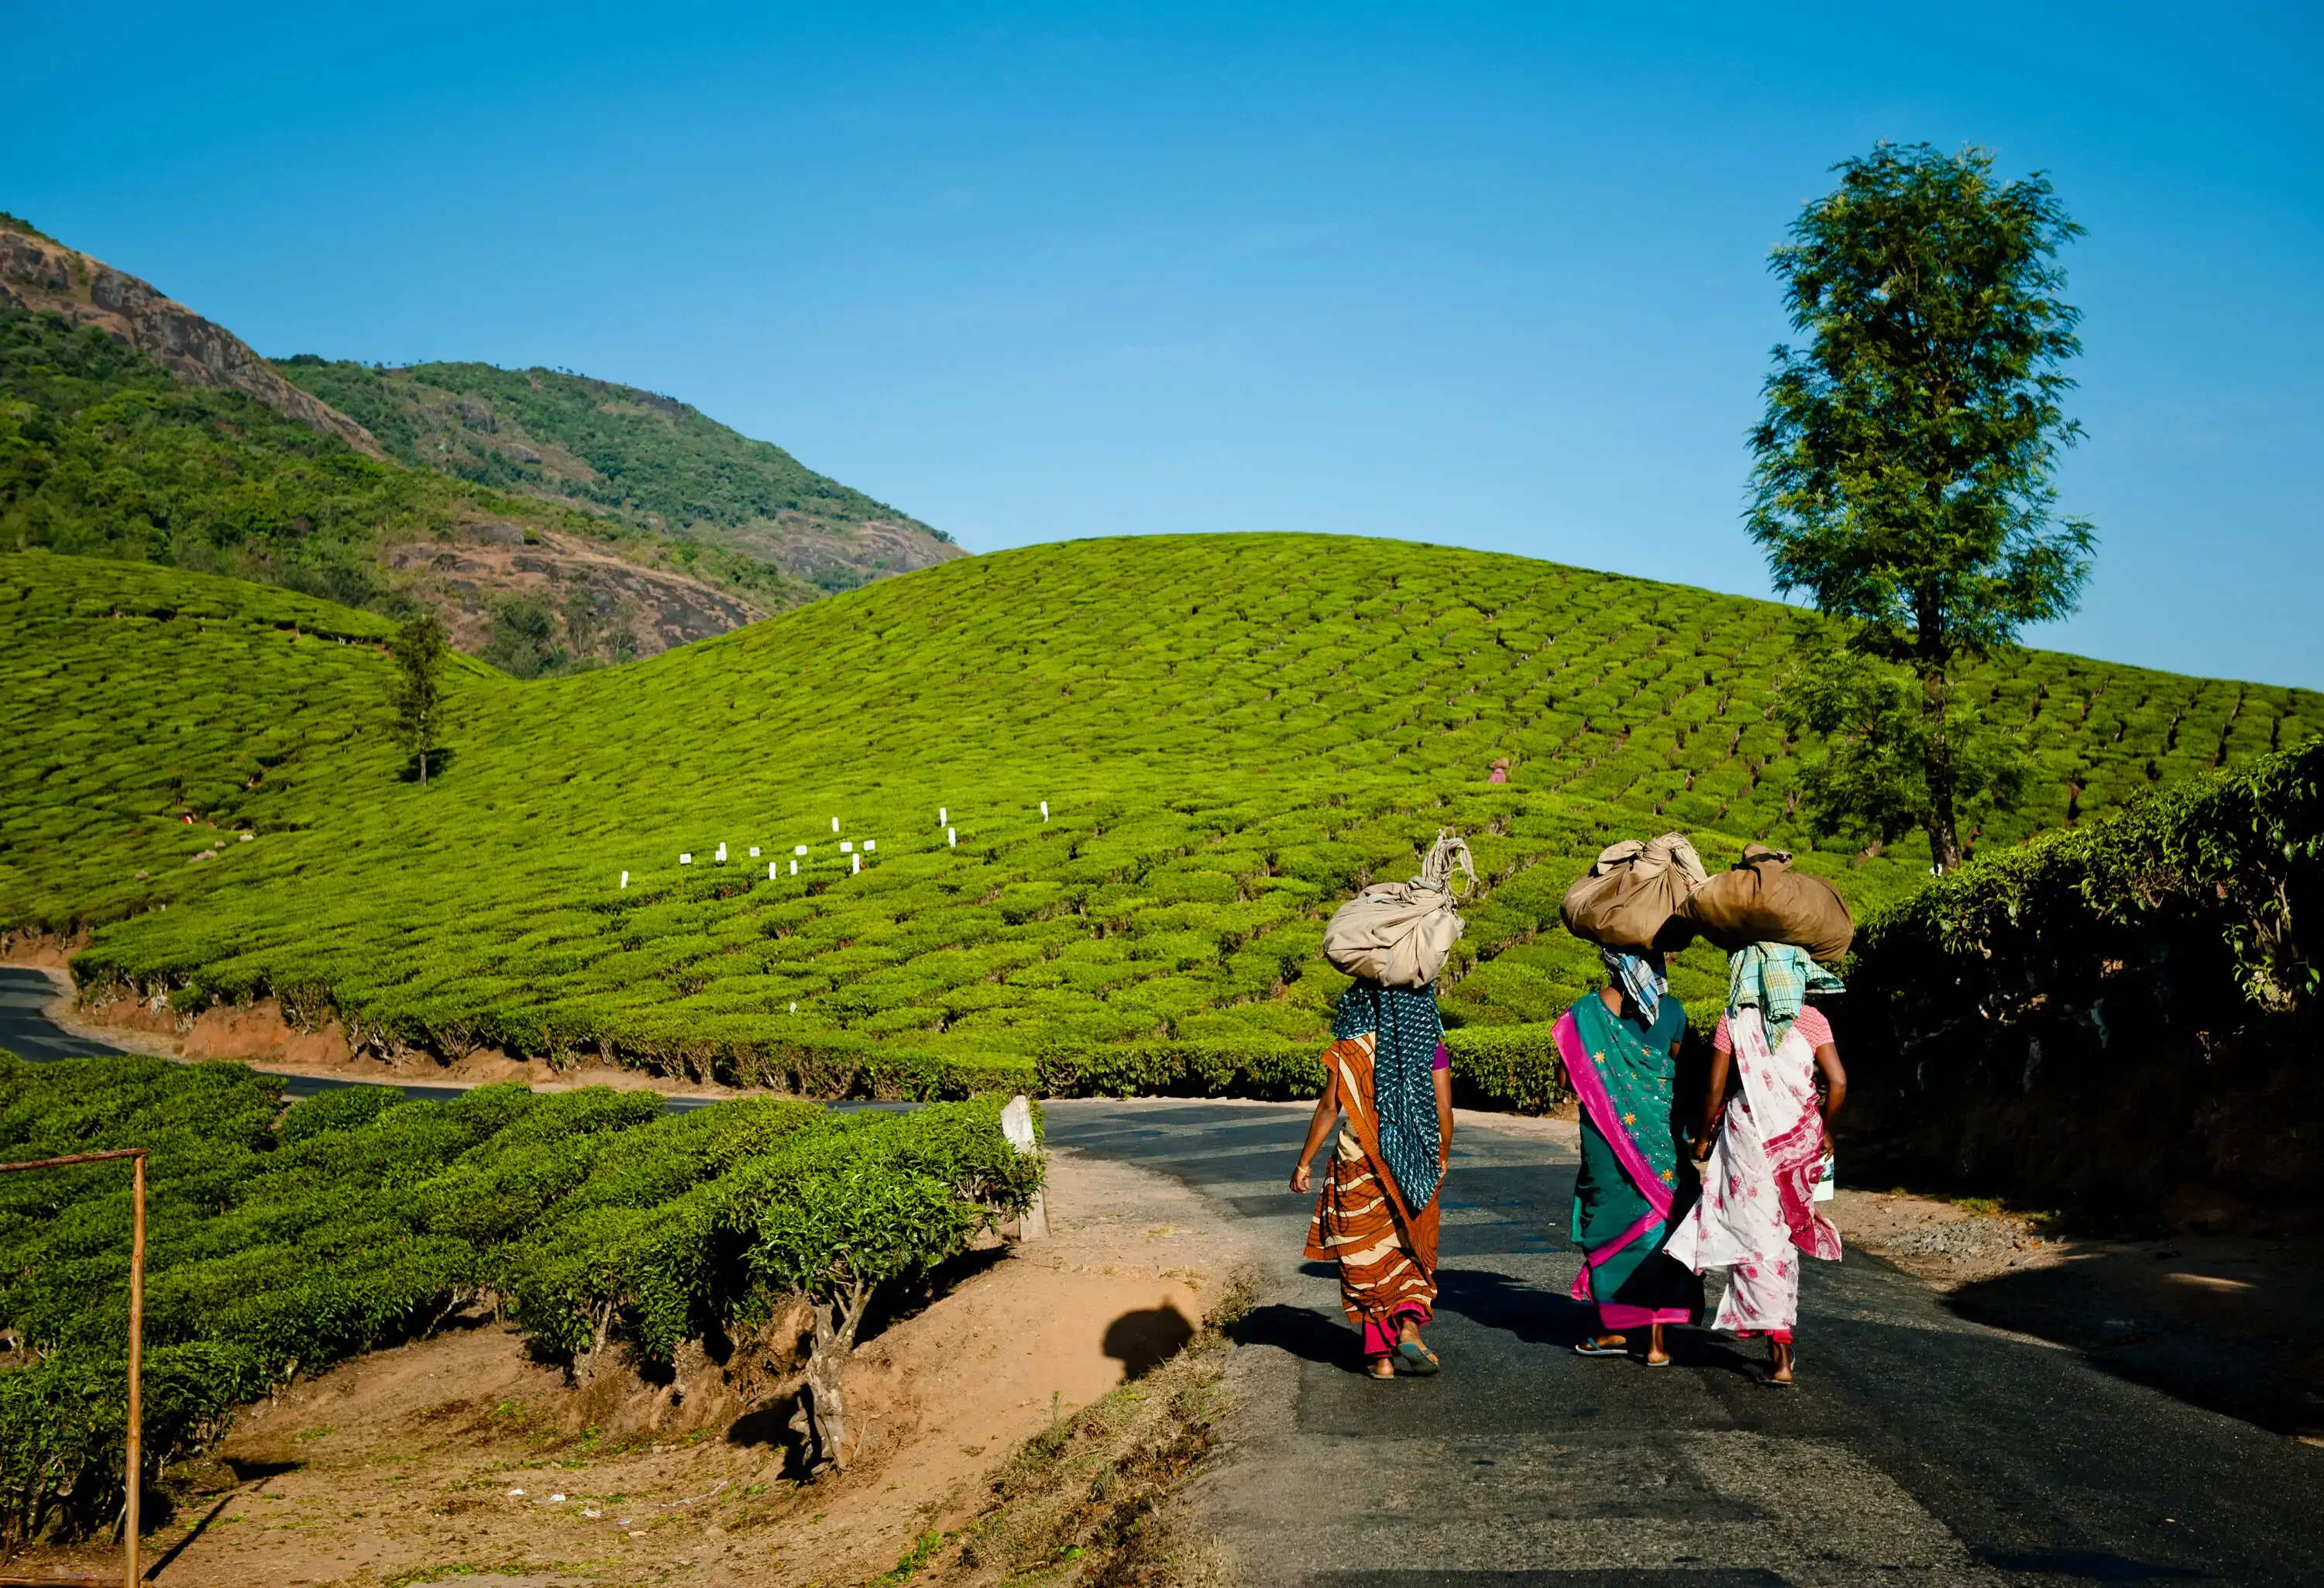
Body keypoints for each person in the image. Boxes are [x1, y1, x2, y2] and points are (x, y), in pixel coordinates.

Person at [1666, 941, 1848, 1386]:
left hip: (1748, 1136)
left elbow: (1714, 1090)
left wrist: (1705, 1135)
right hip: (1799, 1138)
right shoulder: (1812, 1020)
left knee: (1755, 1233)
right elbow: (1838, 1082)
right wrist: (1826, 1128)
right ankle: (1780, 1349)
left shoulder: (1733, 1020)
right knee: (1780, 1236)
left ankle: (1774, 1339)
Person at [1291, 978, 1454, 1378]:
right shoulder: (1426, 1044)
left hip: (1356, 1164)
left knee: (1365, 1254)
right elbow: (1444, 1113)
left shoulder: (1349, 1050)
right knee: (1407, 1250)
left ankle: (1381, 1358)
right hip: (1414, 1160)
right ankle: (1410, 1328)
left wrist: (1304, 1163)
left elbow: (1330, 1107)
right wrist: (1441, 1158)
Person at [1558, 948, 1699, 1366]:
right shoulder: (1672, 1011)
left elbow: (1567, 1079)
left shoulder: (1584, 1014)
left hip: (1605, 1140)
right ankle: (1656, 1342)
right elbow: (1676, 1067)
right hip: (1659, 1139)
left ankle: (1610, 1328)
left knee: (1609, 1221)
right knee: (1657, 1224)